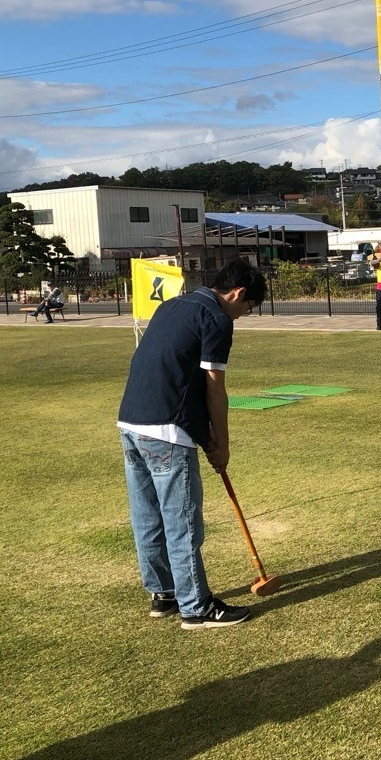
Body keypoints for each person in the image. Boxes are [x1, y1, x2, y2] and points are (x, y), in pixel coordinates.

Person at [116, 260, 267, 630]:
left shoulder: (172, 305)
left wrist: (207, 437)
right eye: (247, 309)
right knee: (181, 520)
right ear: (238, 294)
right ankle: (196, 607)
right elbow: (214, 387)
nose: (242, 316)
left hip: (131, 421)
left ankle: (163, 592)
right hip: (167, 429)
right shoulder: (216, 318)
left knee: (147, 515)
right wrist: (222, 445)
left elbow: (179, 372)